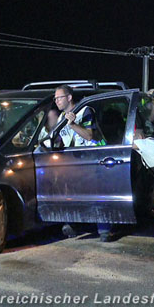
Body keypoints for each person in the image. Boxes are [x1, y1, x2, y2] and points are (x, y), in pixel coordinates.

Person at [53, 85, 110, 240]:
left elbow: (89, 136)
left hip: (93, 158)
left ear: (69, 97)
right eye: (55, 98)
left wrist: (72, 124)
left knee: (96, 194)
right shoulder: (60, 118)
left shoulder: (85, 111)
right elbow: (61, 141)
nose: (56, 101)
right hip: (75, 160)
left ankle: (104, 229)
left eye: (59, 97)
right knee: (71, 193)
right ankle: (71, 225)